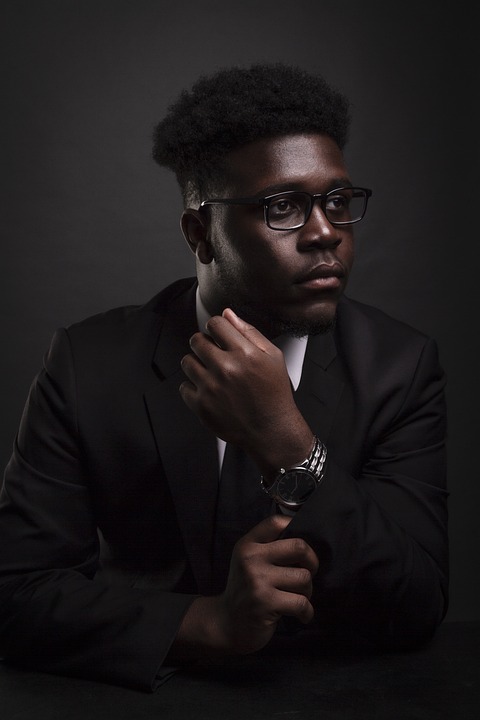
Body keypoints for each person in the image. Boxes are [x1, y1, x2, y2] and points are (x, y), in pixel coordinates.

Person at [0, 63, 448, 691]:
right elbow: (16, 594)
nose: (326, 233)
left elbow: (418, 603)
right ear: (201, 233)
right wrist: (208, 623)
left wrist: (287, 442)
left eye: (338, 202)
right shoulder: (89, 362)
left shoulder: (399, 368)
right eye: (283, 206)